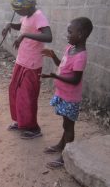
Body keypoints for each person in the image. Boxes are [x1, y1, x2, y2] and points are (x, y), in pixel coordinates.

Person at [41, 17, 93, 169]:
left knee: (69, 127)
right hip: (63, 94)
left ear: (81, 34)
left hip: (70, 97)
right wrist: (53, 56)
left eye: (70, 32)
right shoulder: (70, 48)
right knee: (65, 124)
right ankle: (60, 145)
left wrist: (54, 76)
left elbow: (75, 80)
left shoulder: (81, 56)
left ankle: (66, 157)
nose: (67, 34)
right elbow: (62, 65)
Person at [2, 0, 52, 138]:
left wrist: (23, 35)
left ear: (27, 6)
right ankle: (21, 120)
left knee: (27, 95)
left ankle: (34, 128)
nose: (17, 12)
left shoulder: (38, 16)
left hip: (32, 64)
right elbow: (22, 26)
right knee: (15, 91)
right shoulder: (27, 15)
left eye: (18, 10)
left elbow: (48, 36)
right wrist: (9, 24)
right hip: (22, 61)